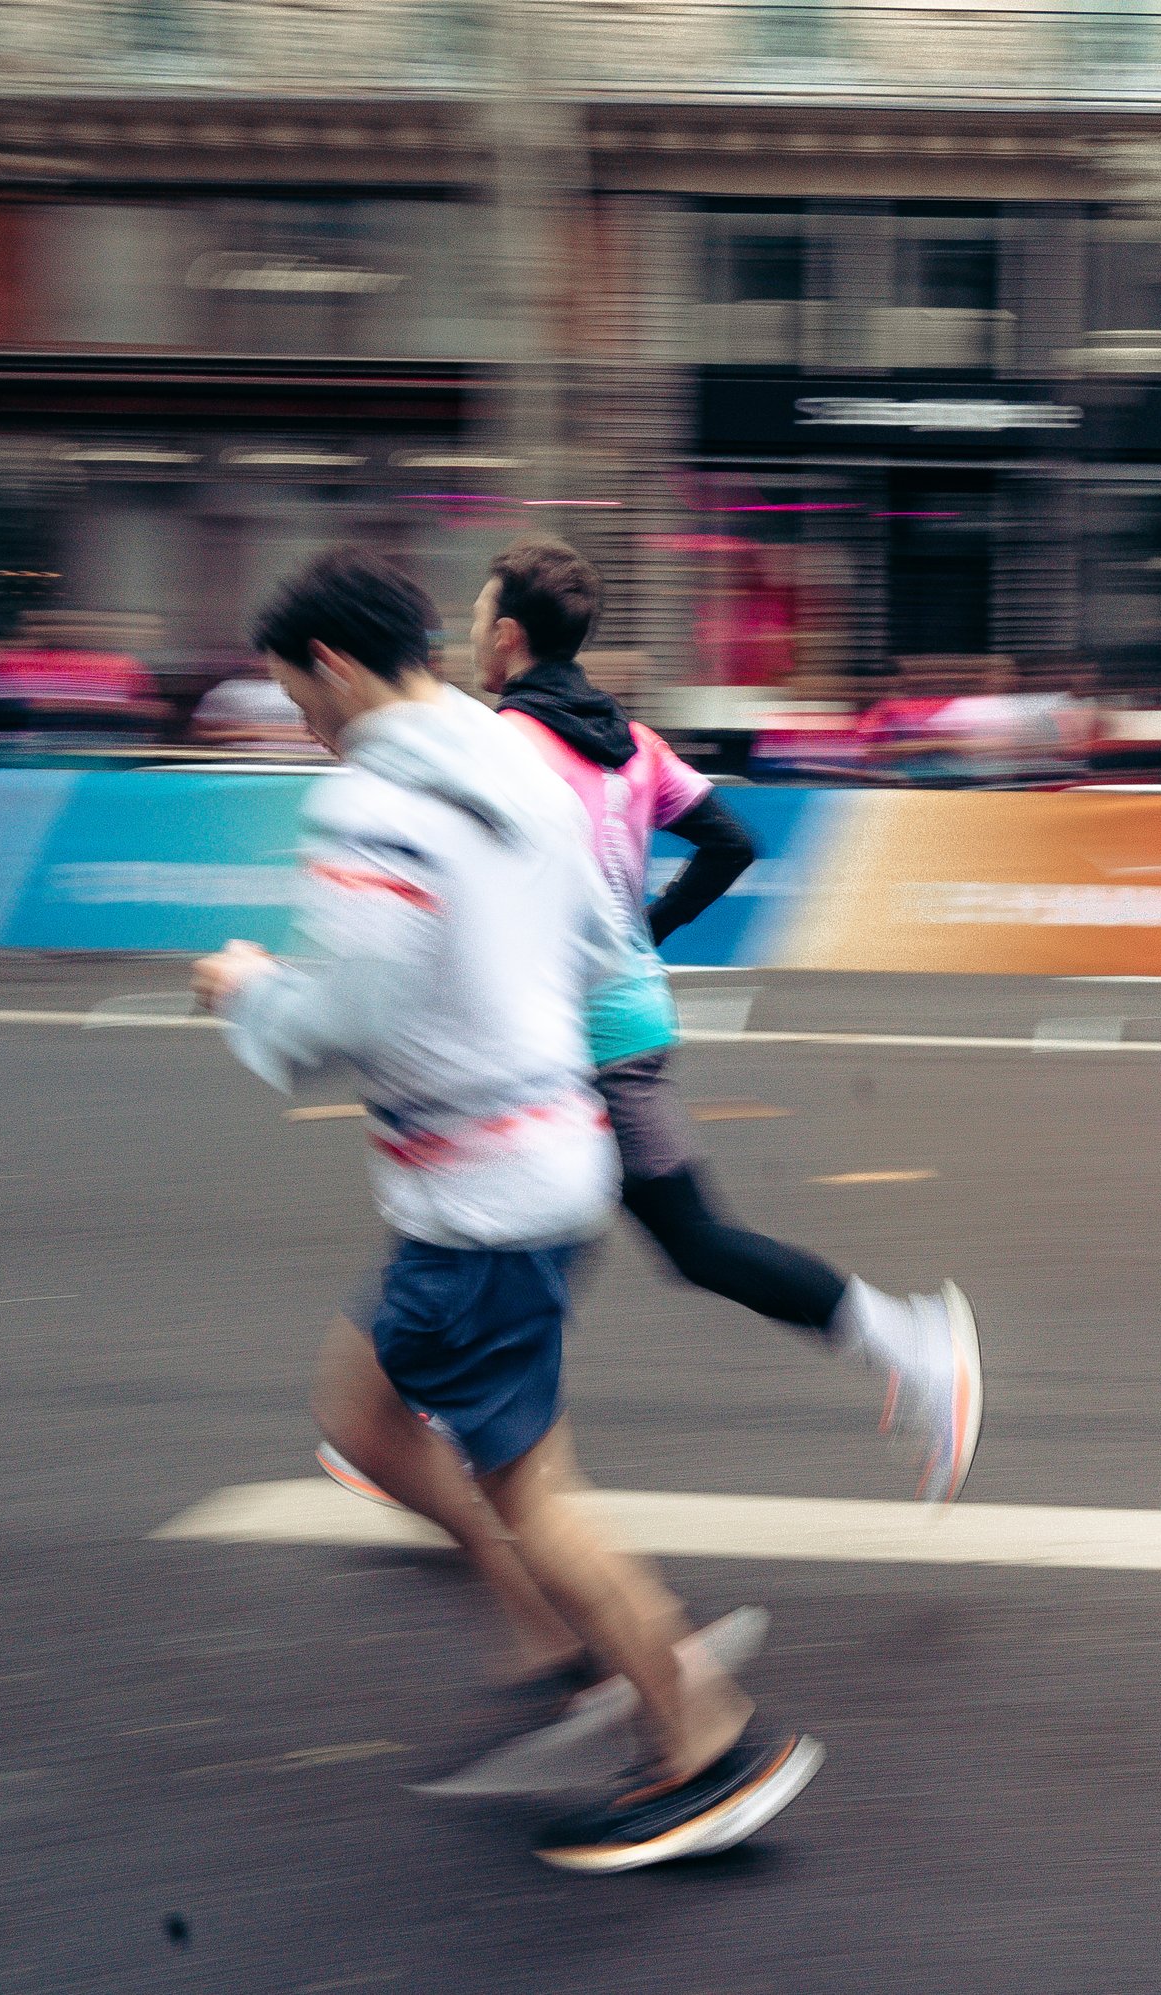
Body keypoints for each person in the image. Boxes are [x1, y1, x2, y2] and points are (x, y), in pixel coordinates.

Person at [192, 547, 821, 1873]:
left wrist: (246, 986)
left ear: (339, 666)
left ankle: (700, 1734)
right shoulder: (520, 766)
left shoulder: (372, 800)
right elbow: (607, 945)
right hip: (539, 1159)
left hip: (476, 1198)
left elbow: (344, 1014)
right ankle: (576, 1634)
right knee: (363, 1414)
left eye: (296, 697)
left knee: (531, 1481)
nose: (299, 727)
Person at [325, 534, 983, 1507]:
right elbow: (728, 840)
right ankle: (436, 1423)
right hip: (616, 1022)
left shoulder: (503, 747)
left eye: (474, 619)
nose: (468, 635)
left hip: (556, 1033)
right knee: (522, 1228)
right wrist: (647, 927)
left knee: (587, 1229)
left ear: (506, 636)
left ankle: (915, 1345)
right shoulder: (632, 743)